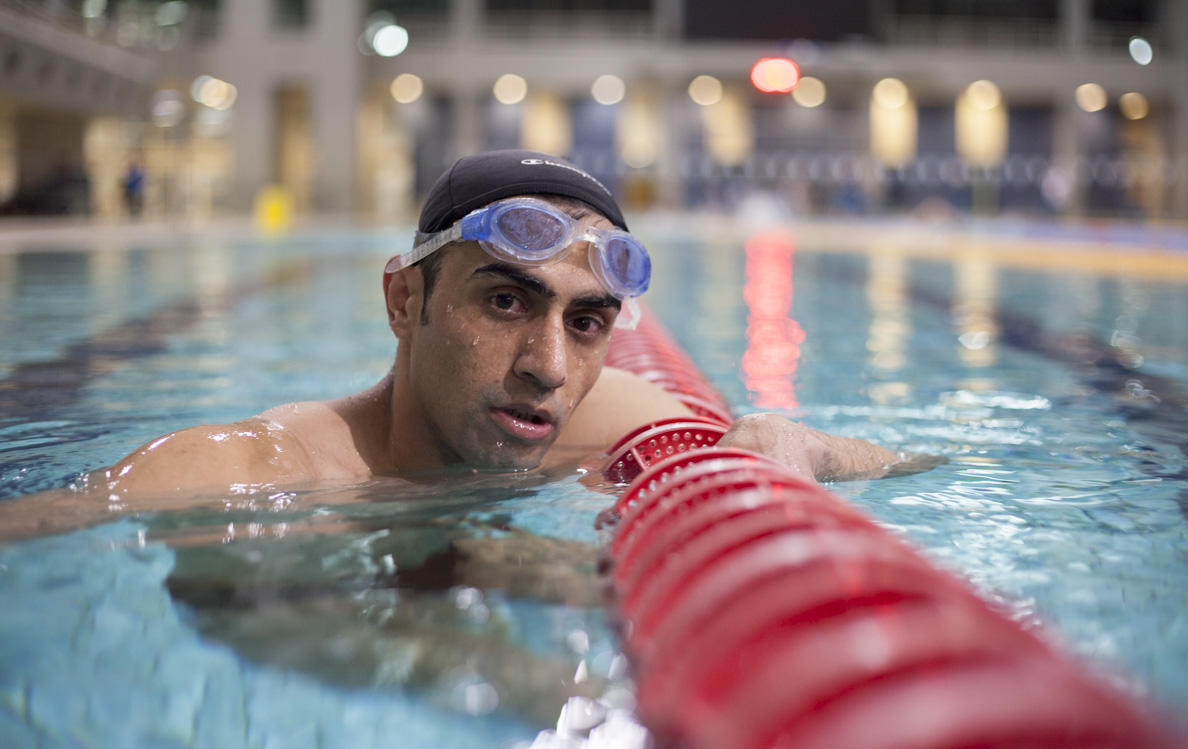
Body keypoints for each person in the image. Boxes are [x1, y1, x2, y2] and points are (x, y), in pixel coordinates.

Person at [2, 150, 898, 536]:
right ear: (405, 300)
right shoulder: (251, 471)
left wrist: (788, 437)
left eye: (587, 322)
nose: (550, 367)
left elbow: (920, 463)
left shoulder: (601, 417)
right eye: (505, 301)